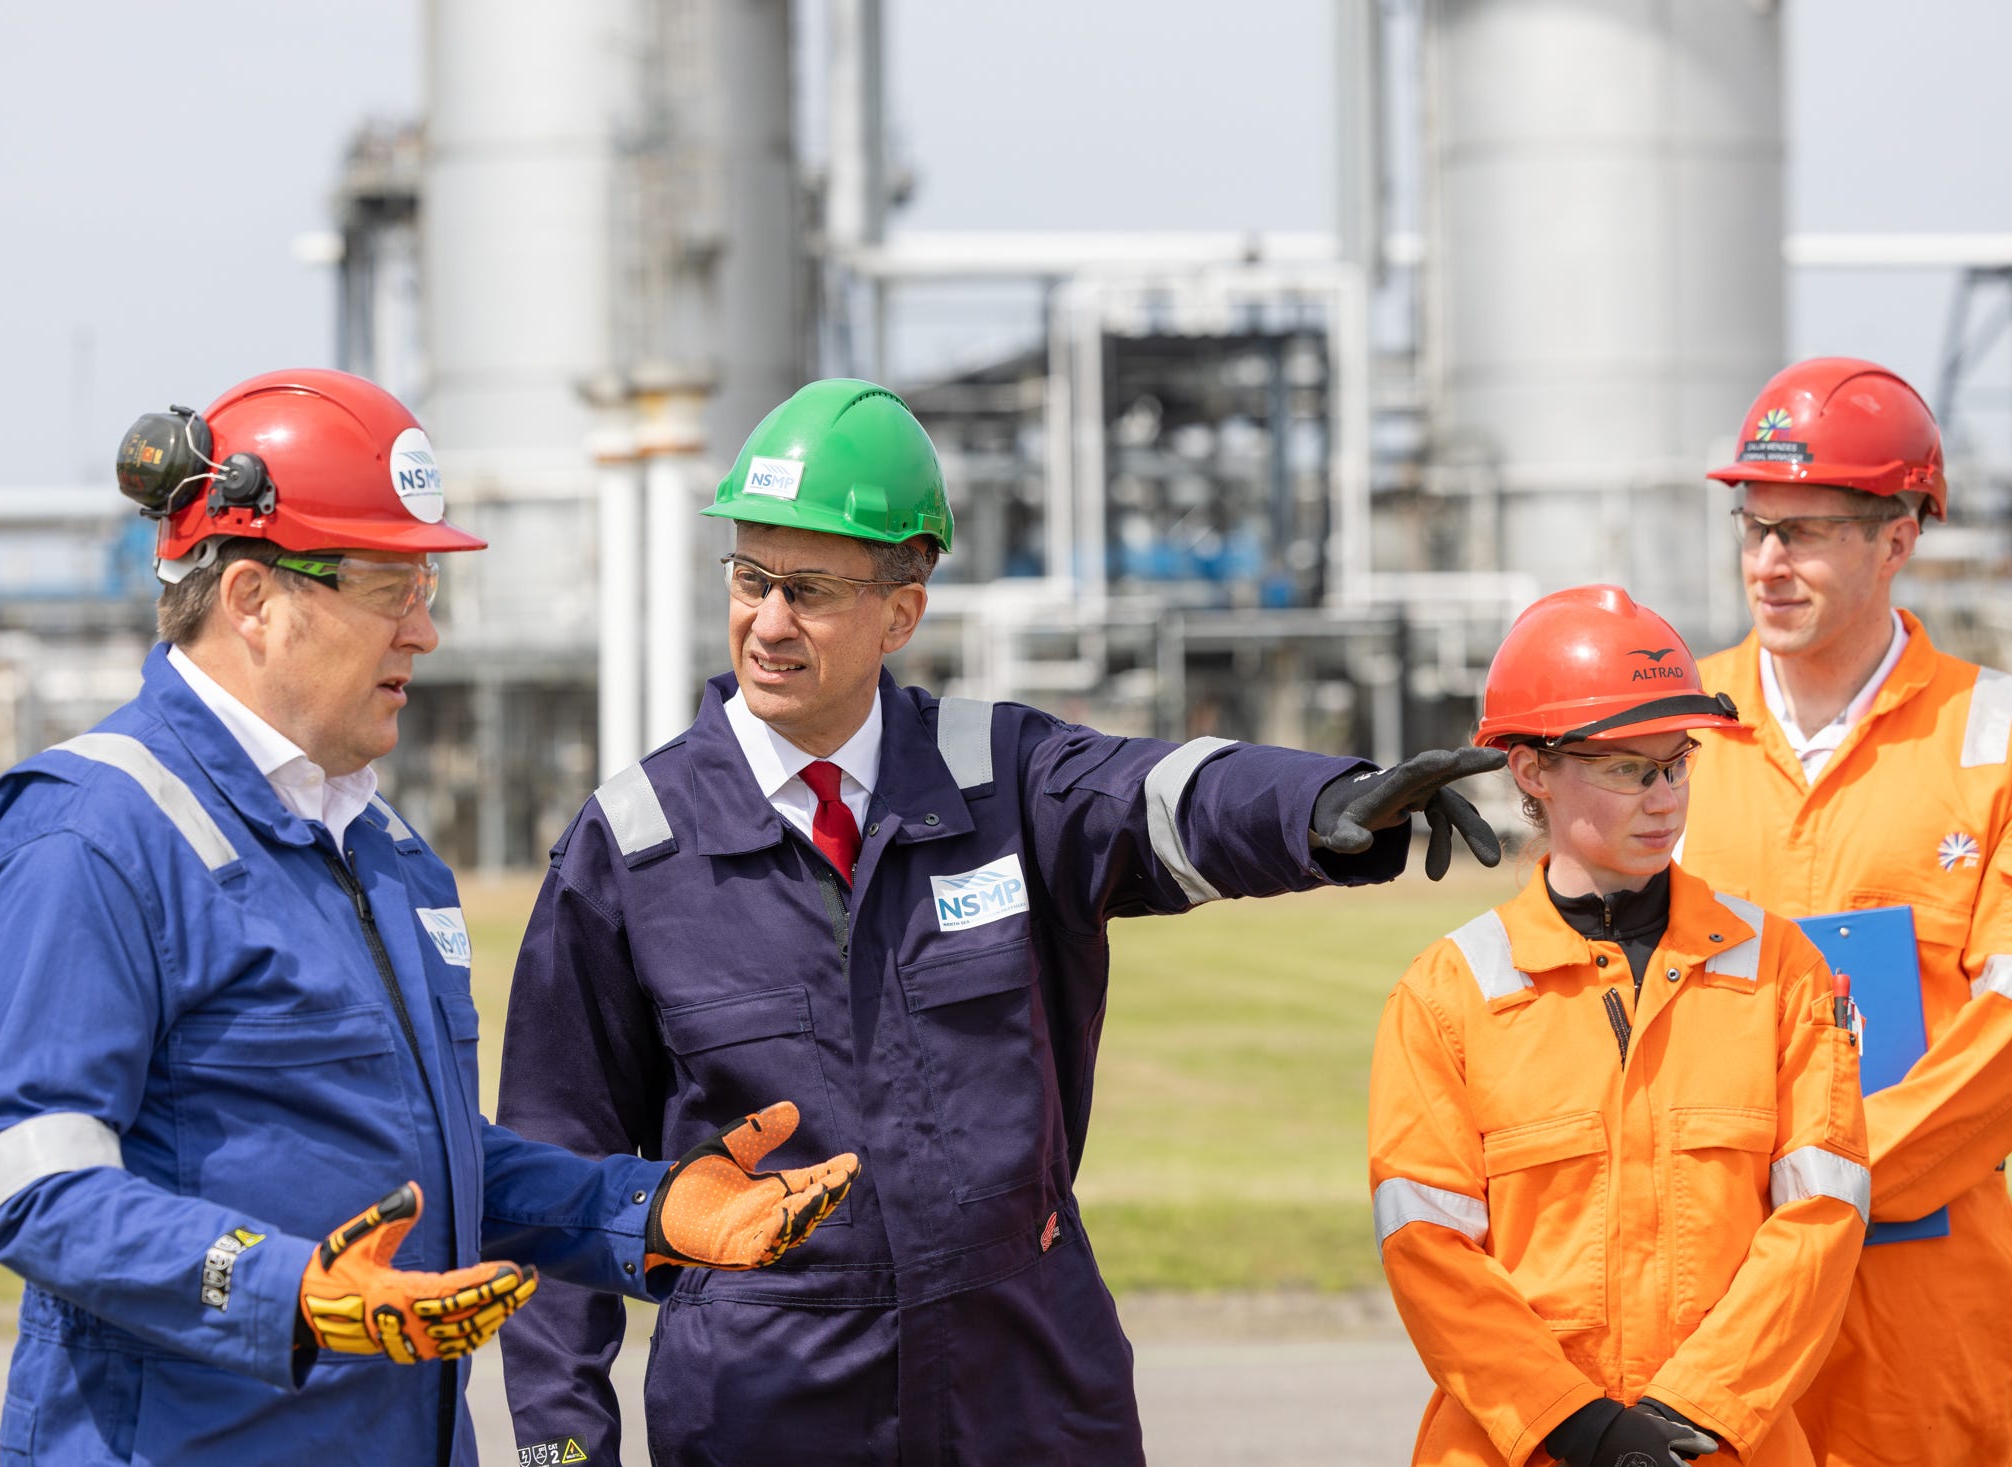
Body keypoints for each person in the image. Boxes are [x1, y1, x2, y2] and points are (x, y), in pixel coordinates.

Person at [494, 376, 1511, 1466]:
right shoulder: (635, 842)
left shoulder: (1000, 778)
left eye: (808, 588)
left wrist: (1319, 806)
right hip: (766, 1401)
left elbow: (1167, 795)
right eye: (749, 577)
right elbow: (560, 1162)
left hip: (1023, 1381)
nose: (768, 622)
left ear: (903, 607)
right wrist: (562, 1447)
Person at [0, 369, 857, 1467]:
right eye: (392, 589)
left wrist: (648, 1212)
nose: (425, 634)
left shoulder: (385, 852)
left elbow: (431, 1163)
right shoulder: (89, 836)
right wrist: (289, 1291)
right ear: (252, 599)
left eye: (428, 591)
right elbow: (35, 1185)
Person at [1371, 585, 1868, 1467]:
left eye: (1676, 763)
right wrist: (1582, 1426)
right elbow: (1430, 1251)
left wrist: (1693, 1412)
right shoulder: (1447, 995)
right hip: (1521, 1447)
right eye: (1626, 769)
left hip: (1726, 1444)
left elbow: (1822, 1219)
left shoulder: (1783, 969)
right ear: (1531, 770)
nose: (1663, 798)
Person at [1678, 356, 2012, 1465]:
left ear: (1897, 539)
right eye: (1753, 528)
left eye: (1805, 532)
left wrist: (1827, 1185)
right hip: (1715, 1286)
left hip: (1924, 1292)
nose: (1767, 564)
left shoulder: (1993, 740)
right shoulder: (1671, 730)